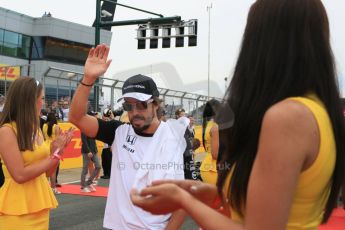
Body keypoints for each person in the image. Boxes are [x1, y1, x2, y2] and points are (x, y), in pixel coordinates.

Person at [130, 0, 345, 229]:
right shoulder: (319, 112)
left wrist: (183, 200)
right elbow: (286, 203)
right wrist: (213, 195)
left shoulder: (288, 117)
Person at [69, 44, 193, 229]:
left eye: (141, 105)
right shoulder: (119, 132)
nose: (134, 112)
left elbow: (185, 197)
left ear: (156, 105)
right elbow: (76, 117)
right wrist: (88, 79)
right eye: (128, 106)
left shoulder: (177, 141)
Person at [0, 77, 73, 229]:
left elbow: (46, 173)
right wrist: (54, 155)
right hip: (16, 210)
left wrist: (58, 150)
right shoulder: (7, 131)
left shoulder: (36, 129)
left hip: (39, 206)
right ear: (29, 101)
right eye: (42, 98)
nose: (43, 103)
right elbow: (19, 175)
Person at [199, 99, 220, 185]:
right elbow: (215, 154)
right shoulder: (215, 127)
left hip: (208, 166)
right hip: (213, 168)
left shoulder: (209, 125)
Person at [80, 111, 101, 193]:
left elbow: (93, 140)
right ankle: (82, 186)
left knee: (98, 166)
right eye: (92, 117)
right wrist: (88, 151)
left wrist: (95, 149)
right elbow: (84, 141)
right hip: (86, 151)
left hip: (94, 150)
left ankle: (89, 182)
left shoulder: (93, 127)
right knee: (85, 169)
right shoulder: (83, 128)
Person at [42, 112, 62, 195]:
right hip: (53, 148)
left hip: (45, 146)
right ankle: (53, 188)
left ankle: (46, 188)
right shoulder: (56, 126)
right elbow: (57, 140)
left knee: (46, 169)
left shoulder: (44, 126)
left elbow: (43, 137)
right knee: (53, 170)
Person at [100, 108, 113, 179]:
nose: (104, 116)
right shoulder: (103, 122)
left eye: (105, 115)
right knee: (104, 160)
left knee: (108, 160)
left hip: (108, 145)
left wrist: (111, 145)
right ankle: (105, 173)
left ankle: (109, 174)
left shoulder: (110, 123)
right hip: (103, 146)